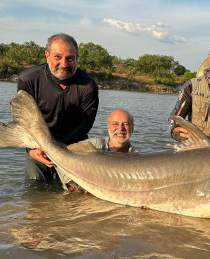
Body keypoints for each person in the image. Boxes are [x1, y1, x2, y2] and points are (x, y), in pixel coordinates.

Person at [16, 33, 99, 181]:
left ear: (77, 58)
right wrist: (32, 150)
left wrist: (56, 149)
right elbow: (22, 121)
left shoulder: (88, 86)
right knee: (36, 186)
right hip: (38, 146)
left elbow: (84, 126)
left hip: (73, 147)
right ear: (47, 55)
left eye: (70, 58)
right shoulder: (28, 79)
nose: (64, 64)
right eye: (58, 57)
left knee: (75, 192)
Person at [57, 109, 136, 193]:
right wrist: (73, 184)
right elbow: (60, 157)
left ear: (133, 128)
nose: (120, 128)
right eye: (115, 124)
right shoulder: (93, 145)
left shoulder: (136, 159)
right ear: (108, 127)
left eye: (126, 124)